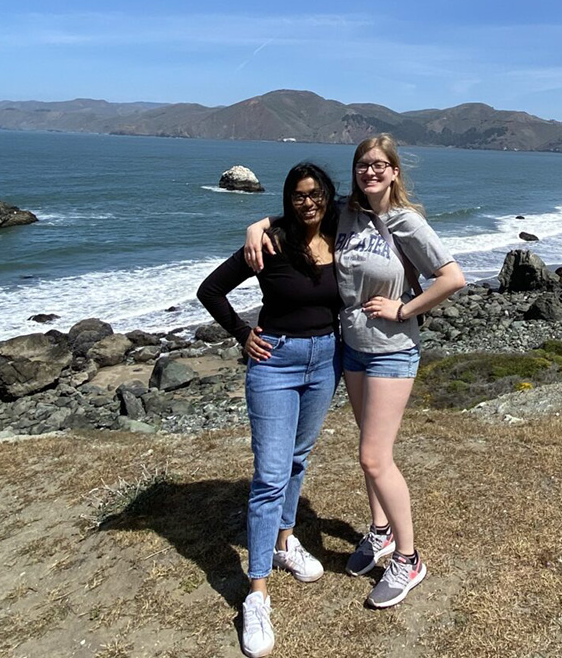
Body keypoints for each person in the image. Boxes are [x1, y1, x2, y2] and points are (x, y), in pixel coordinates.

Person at [246, 134, 465, 609]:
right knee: (369, 446)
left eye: (380, 164)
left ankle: (409, 558)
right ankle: (380, 531)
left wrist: (405, 309)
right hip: (350, 349)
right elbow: (298, 211)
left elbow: (452, 278)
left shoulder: (407, 221)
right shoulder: (346, 212)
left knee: (373, 457)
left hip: (391, 352)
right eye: (363, 164)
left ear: (394, 172)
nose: (370, 171)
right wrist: (255, 226)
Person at [197, 162, 342, 658]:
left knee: (299, 459)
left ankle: (285, 541)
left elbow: (378, 207)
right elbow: (210, 290)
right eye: (299, 195)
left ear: (327, 196)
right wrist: (243, 334)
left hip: (326, 359)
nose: (308, 202)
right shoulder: (271, 241)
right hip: (275, 363)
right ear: (288, 199)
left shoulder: (339, 228)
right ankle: (256, 593)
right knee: (270, 475)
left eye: (316, 193)